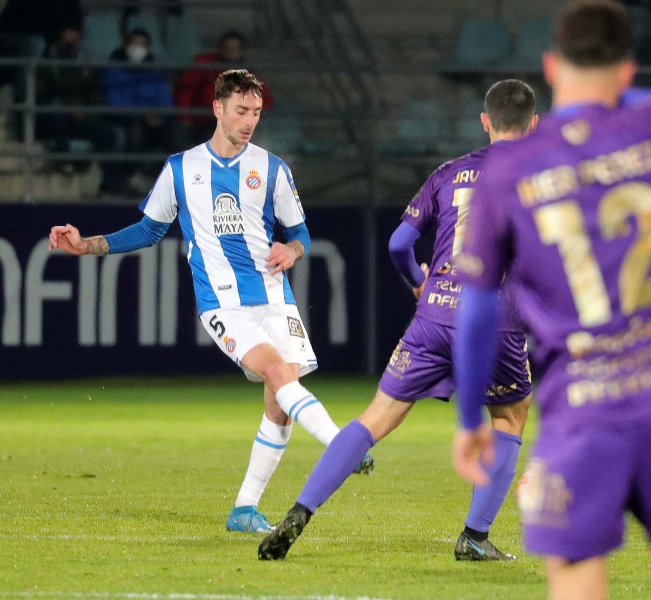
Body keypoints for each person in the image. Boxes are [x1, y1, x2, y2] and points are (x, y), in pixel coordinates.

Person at [49, 69, 373, 535]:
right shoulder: (181, 169)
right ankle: (342, 445)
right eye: (241, 111)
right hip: (222, 303)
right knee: (278, 373)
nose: (250, 121)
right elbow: (148, 230)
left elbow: (300, 233)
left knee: (280, 401)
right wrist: (86, 246)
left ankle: (244, 510)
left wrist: (292, 250)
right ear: (218, 108)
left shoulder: (273, 169)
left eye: (256, 112)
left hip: (274, 296)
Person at [258, 79, 538, 561]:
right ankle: (474, 538)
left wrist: (418, 281)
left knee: (377, 416)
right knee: (510, 414)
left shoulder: (450, 172)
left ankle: (299, 512)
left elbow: (398, 244)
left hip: (434, 313)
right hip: (495, 317)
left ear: (485, 121)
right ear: (533, 125)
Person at [451, 2, 651, 599]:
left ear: (551, 67)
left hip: (582, 407)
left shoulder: (508, 170)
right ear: (627, 70)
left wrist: (470, 419)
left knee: (577, 579)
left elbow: (479, 309)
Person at [36, 25, 118, 177]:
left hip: (81, 114)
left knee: (110, 134)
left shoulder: (86, 63)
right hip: (57, 115)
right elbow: (43, 91)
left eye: (73, 34)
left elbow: (93, 92)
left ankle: (108, 180)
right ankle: (64, 161)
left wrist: (83, 108)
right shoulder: (47, 60)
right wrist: (68, 105)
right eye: (66, 34)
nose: (70, 39)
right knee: (55, 111)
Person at [100, 28, 176, 194]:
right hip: (125, 121)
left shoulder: (155, 71)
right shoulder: (113, 70)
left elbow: (165, 101)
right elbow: (114, 103)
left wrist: (160, 116)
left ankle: (172, 185)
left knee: (175, 135)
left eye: (142, 45)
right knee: (133, 133)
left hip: (154, 121)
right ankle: (127, 178)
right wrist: (142, 114)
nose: (138, 49)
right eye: (134, 44)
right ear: (126, 45)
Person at [174, 31, 273, 148]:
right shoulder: (205, 67)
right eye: (228, 48)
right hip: (207, 123)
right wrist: (186, 117)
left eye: (235, 49)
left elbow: (265, 100)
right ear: (220, 49)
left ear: (241, 51)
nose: (231, 52)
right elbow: (186, 91)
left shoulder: (249, 74)